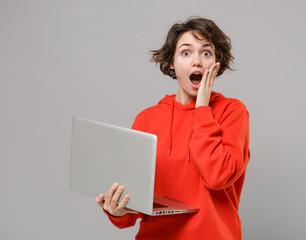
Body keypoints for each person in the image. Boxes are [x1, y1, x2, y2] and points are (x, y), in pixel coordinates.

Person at [95, 16, 250, 240]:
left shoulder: (232, 112)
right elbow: (133, 207)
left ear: (217, 63)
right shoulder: (146, 119)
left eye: (206, 53)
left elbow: (218, 176)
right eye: (186, 53)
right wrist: (116, 212)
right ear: (171, 62)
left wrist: (202, 110)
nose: (197, 61)